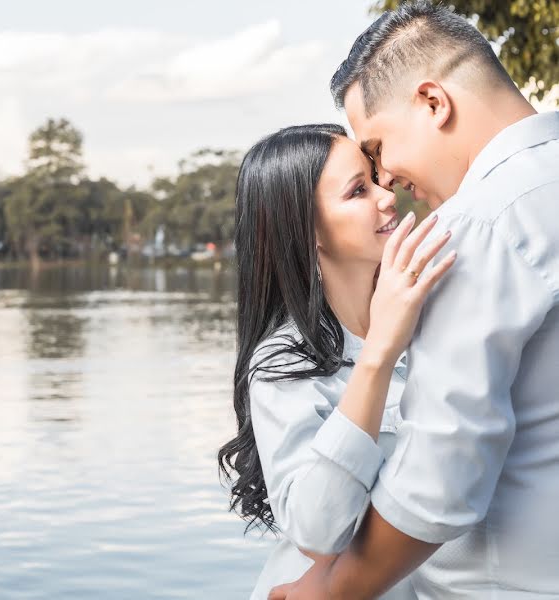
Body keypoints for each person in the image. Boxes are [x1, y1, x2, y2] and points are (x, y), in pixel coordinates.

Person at [271, 3, 559, 599]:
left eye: (377, 149)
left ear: (433, 102)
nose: (388, 182)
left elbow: (439, 477)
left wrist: (325, 593)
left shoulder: (474, 228)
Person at [217, 123, 455, 599]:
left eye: (375, 178)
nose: (386, 196)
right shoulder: (282, 362)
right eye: (357, 191)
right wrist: (379, 355)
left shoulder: (438, 311)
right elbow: (318, 530)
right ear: (309, 232)